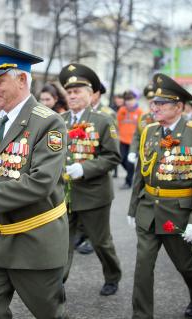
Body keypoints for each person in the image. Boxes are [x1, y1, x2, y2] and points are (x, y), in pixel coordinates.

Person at [0, 40, 69, 319]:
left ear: (22, 79)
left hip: (34, 240)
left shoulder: (49, 122)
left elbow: (41, 183)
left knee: (50, 314)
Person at [127, 73, 192, 319]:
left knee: (186, 265)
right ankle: (141, 315)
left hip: (178, 213)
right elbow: (140, 174)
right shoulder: (149, 131)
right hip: (148, 210)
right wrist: (133, 207)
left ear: (179, 106)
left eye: (161, 103)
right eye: (154, 103)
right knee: (143, 267)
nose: (154, 107)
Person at [60, 63, 122, 296]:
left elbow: (113, 156)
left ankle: (112, 276)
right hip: (65, 194)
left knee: (100, 242)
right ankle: (58, 281)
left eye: (78, 91)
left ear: (91, 94)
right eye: (70, 92)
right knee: (62, 242)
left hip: (94, 194)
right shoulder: (59, 120)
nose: (73, 95)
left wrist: (85, 169)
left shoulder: (103, 120)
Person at [117, 90, 142, 189]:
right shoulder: (122, 110)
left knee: (129, 161)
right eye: (127, 100)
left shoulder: (140, 112)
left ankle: (128, 181)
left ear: (135, 100)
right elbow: (117, 123)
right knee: (121, 159)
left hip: (133, 142)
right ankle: (132, 173)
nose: (129, 102)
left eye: (131, 100)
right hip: (122, 140)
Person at [128, 83, 156, 164]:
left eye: (153, 98)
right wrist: (132, 151)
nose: (151, 100)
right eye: (149, 98)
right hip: (144, 156)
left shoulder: (165, 116)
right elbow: (137, 135)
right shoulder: (143, 117)